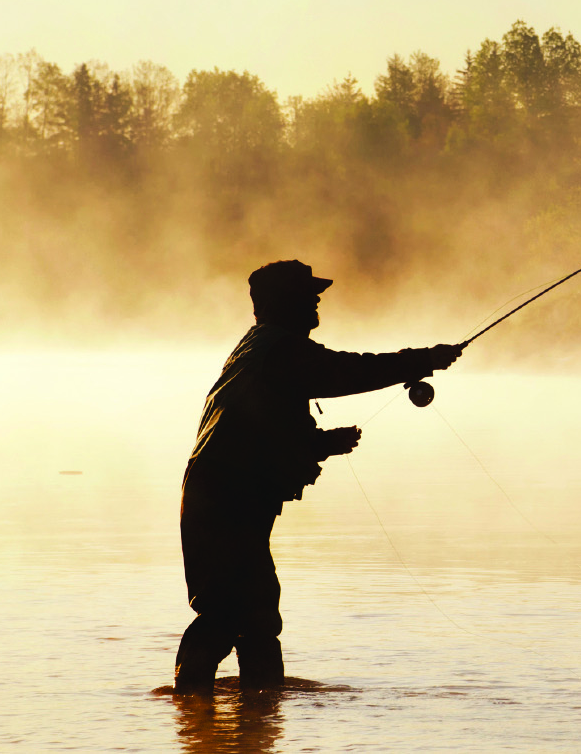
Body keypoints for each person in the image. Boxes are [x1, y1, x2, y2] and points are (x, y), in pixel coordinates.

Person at [173, 259, 462, 695]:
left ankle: (255, 715)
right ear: (278, 302)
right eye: (307, 294)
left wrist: (321, 443)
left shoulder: (261, 348)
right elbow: (348, 371)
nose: (316, 299)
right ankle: (193, 708)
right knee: (230, 612)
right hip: (225, 501)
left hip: (224, 498)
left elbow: (260, 430)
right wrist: (420, 360)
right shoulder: (282, 349)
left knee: (255, 615)